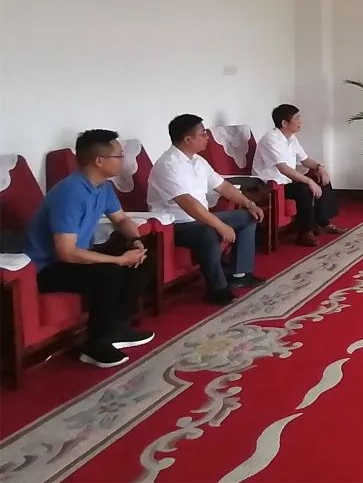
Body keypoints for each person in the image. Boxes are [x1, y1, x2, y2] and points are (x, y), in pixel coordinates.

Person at [24, 130, 155, 368]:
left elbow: (121, 219)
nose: (123, 160)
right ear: (99, 161)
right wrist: (118, 260)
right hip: (46, 268)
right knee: (109, 273)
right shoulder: (70, 193)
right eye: (119, 156)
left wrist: (136, 242)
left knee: (144, 258)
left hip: (75, 258)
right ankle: (95, 344)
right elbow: (66, 253)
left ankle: (117, 328)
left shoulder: (103, 187)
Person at [148, 114, 265, 305]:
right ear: (188, 139)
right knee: (207, 232)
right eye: (202, 134)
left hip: (201, 217)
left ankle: (240, 274)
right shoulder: (168, 165)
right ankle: (217, 289)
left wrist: (249, 203)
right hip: (175, 225)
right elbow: (188, 204)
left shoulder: (198, 161)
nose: (207, 137)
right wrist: (219, 225)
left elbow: (223, 186)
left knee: (248, 217)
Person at [252, 104, 343, 247]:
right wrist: (309, 181)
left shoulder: (291, 138)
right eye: (297, 118)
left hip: (286, 181)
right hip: (270, 185)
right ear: (284, 123)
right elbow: (284, 169)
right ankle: (305, 233)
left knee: (320, 178)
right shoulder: (271, 139)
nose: (301, 122)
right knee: (304, 189)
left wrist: (320, 167)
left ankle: (323, 223)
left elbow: (305, 160)